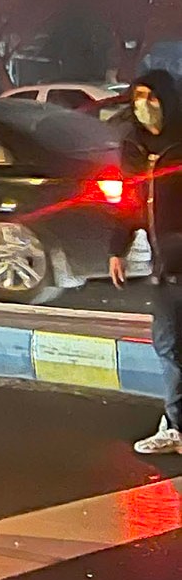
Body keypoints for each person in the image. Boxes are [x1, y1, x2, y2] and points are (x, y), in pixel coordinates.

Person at [111, 71, 182, 454]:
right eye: (138, 97)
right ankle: (175, 425)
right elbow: (130, 204)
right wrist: (117, 248)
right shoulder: (135, 147)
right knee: (169, 346)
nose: (144, 106)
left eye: (151, 98)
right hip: (163, 267)